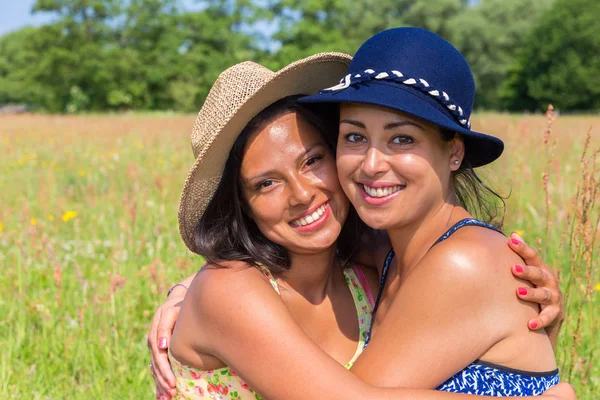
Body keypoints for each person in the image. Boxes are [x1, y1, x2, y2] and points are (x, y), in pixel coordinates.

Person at [148, 49, 570, 399]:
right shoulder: (229, 289)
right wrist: (190, 291)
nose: (301, 195)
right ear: (241, 204)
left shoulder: (370, 267)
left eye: (312, 160)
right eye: (266, 183)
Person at [298, 27, 561, 395]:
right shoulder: (389, 251)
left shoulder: (462, 263)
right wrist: (199, 285)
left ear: (454, 152)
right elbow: (289, 248)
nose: (371, 164)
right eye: (355, 137)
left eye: (401, 138)